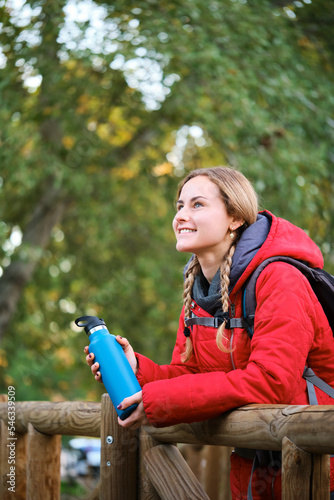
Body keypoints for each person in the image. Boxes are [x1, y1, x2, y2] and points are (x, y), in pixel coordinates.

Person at [85, 166, 334, 499]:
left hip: (321, 468)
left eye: (197, 205)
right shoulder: (198, 294)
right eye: (179, 206)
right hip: (258, 468)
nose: (181, 216)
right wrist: (138, 371)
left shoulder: (280, 278)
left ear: (234, 218)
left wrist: (159, 401)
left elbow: (271, 381)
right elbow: (190, 374)